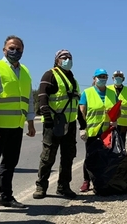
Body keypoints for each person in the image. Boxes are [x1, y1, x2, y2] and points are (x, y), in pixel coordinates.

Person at [0, 35, 36, 216]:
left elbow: (29, 99)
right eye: (11, 47)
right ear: (4, 49)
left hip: (16, 126)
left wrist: (30, 122)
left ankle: (6, 196)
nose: (15, 51)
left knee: (10, 163)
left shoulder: (25, 71)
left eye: (18, 49)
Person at [32, 49, 86, 199]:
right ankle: (41, 187)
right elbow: (42, 96)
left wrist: (82, 123)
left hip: (70, 123)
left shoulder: (74, 81)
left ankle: (63, 187)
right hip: (54, 123)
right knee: (48, 156)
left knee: (68, 156)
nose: (67, 59)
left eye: (69, 57)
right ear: (57, 60)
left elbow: (76, 103)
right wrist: (47, 117)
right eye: (64, 57)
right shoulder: (50, 75)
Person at [79, 69, 118, 192]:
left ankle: (102, 181)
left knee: (105, 157)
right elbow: (81, 112)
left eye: (104, 76)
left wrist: (115, 119)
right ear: (94, 78)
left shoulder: (112, 93)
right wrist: (82, 128)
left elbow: (118, 110)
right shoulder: (87, 93)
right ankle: (86, 181)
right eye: (100, 76)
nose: (102, 79)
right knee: (90, 157)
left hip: (107, 131)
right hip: (92, 132)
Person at [107, 70, 127, 145]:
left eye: (120, 76)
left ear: (123, 79)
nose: (118, 78)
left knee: (121, 145)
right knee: (109, 145)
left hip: (123, 125)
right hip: (109, 123)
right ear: (112, 78)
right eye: (116, 76)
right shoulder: (107, 89)